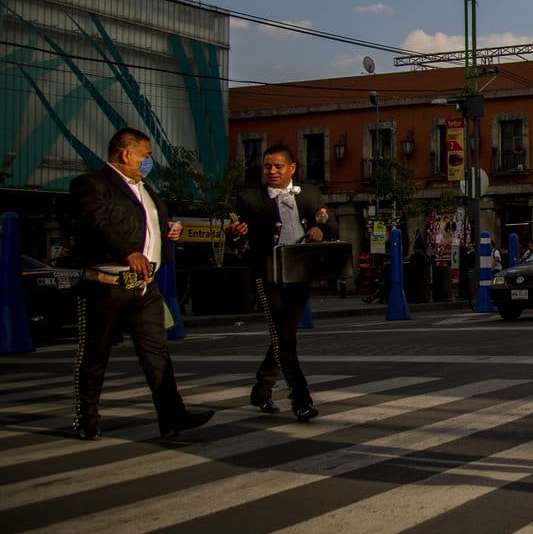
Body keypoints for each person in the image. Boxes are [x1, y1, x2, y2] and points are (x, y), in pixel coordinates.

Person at [68, 128, 215, 441]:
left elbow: (146, 225)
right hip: (107, 284)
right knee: (95, 354)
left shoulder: (145, 188)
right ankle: (87, 418)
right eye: (145, 156)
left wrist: (167, 230)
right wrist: (127, 251)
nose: (148, 162)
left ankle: (172, 418)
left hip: (145, 286)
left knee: (157, 353)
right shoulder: (91, 184)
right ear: (126, 154)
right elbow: (97, 223)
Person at [226, 144, 336, 422]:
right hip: (268, 274)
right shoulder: (250, 199)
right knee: (284, 338)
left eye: (277, 166)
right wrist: (236, 234)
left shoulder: (310, 195)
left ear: (291, 168)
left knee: (285, 335)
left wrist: (319, 229)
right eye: (267, 166)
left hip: (298, 273)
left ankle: (262, 389)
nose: (272, 171)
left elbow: (329, 223)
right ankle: (300, 398)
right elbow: (237, 238)